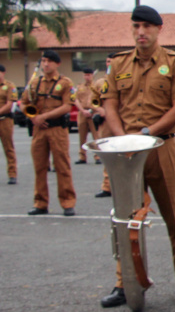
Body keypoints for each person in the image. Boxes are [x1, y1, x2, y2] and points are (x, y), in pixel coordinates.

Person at [98, 5, 175, 308]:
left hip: (161, 147)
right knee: (126, 221)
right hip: (126, 153)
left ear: (158, 29)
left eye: (147, 26)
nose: (140, 32)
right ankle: (126, 283)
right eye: (136, 26)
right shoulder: (117, 64)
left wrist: (146, 135)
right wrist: (123, 139)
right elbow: (110, 104)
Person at [20, 50, 76, 216]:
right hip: (39, 129)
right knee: (39, 167)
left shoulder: (65, 83)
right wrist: (32, 116)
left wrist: (44, 116)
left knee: (62, 166)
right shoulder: (35, 82)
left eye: (50, 61)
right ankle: (40, 203)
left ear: (57, 63)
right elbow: (23, 103)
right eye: (44, 61)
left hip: (57, 128)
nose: (46, 64)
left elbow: (67, 106)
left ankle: (67, 202)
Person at [94, 53, 116, 198]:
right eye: (108, 61)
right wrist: (100, 109)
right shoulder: (100, 82)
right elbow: (93, 101)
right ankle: (107, 187)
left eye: (112, 61)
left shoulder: (127, 80)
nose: (110, 64)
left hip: (123, 121)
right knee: (107, 154)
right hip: (106, 123)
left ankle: (123, 186)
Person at [74, 68, 101, 165]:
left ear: (92, 75)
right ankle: (82, 157)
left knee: (96, 136)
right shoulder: (80, 86)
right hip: (82, 113)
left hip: (93, 112)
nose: (87, 77)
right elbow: (75, 99)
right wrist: (82, 110)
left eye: (89, 75)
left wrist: (93, 110)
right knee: (82, 136)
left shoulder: (96, 86)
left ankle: (98, 156)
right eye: (85, 75)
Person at [0, 64, 17, 184]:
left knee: (8, 147)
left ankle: (12, 174)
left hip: (4, 120)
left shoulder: (10, 86)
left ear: (3, 73)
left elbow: (9, 104)